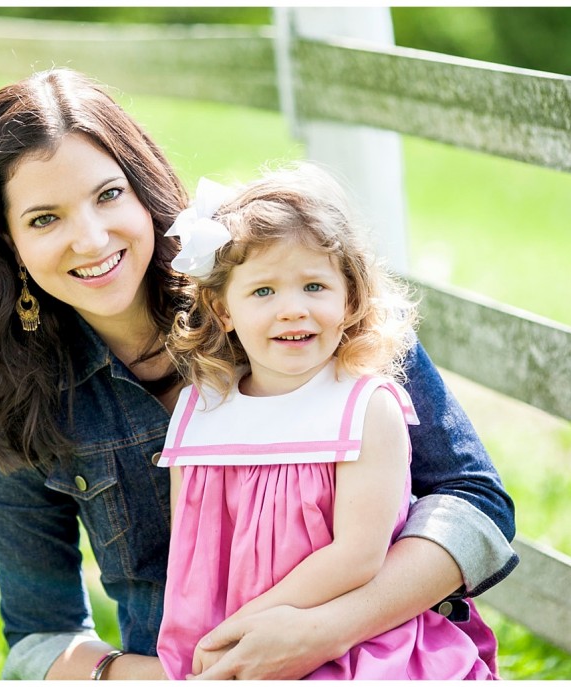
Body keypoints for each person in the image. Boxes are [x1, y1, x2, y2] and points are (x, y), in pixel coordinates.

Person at [0, 67, 517, 680]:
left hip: (374, 656)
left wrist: (324, 632)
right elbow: (37, 641)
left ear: (145, 193)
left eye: (108, 195)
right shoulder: (24, 399)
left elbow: (475, 505)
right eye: (43, 219)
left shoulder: (282, 299)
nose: (89, 238)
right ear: (8, 243)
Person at [155, 167, 497, 679]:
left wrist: (251, 625)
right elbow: (192, 552)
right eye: (263, 291)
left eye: (314, 286)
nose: (292, 309)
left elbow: (359, 556)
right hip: (223, 642)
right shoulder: (201, 412)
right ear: (222, 309)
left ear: (350, 300)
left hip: (348, 643)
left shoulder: (364, 406)